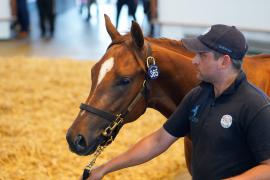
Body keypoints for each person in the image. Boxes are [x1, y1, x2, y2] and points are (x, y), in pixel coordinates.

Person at [87, 25, 270, 180]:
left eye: (202, 55)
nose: (194, 61)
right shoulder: (197, 96)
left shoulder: (255, 105)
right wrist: (104, 169)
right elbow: (158, 141)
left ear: (224, 61)